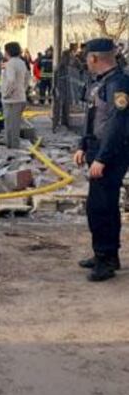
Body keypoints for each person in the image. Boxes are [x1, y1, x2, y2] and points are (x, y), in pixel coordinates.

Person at [74, 37, 129, 282]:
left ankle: (106, 260)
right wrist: (82, 145)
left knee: (101, 207)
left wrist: (102, 159)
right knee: (100, 205)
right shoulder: (101, 83)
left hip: (112, 154)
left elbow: (117, 125)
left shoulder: (119, 84)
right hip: (97, 150)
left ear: (94, 58)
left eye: (87, 57)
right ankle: (105, 254)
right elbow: (92, 116)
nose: (86, 61)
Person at [0, 42, 30, 149]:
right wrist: (23, 90)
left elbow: (11, 81)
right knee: (16, 125)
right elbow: (27, 78)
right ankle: (14, 145)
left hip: (11, 100)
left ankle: (11, 147)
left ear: (8, 51)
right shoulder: (22, 62)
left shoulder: (10, 64)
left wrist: (6, 94)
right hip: (20, 97)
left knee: (9, 126)